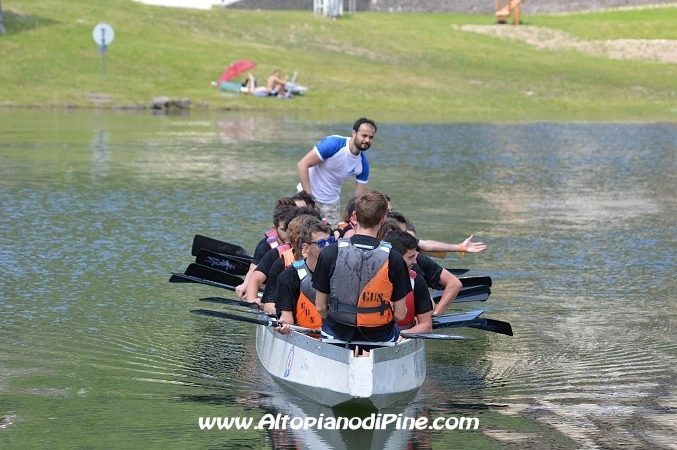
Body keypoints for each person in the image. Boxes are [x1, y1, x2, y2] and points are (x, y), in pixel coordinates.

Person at [313, 190, 410, 350]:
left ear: (355, 216)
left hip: (337, 333)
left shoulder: (330, 252)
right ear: (383, 219)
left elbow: (321, 307)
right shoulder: (395, 258)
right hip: (380, 336)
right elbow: (400, 314)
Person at [297, 118, 377, 228]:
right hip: (308, 197)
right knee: (300, 232)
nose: (367, 140)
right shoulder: (334, 144)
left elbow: (359, 200)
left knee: (332, 235)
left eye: (371, 137)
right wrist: (309, 198)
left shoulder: (363, 164)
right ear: (354, 133)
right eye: (364, 135)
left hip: (331, 205)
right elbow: (302, 165)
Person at [274, 217, 333, 335]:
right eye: (321, 243)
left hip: (335, 336)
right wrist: (284, 323)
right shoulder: (289, 276)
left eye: (330, 241)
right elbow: (287, 315)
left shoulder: (340, 272)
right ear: (306, 248)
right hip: (306, 336)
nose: (328, 246)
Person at [235, 201, 295, 299]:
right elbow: (253, 269)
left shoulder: (305, 244)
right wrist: (246, 284)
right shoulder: (266, 247)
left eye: (291, 230)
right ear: (274, 228)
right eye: (284, 230)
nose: (288, 234)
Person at [382, 230, 433, 334]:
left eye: (414, 256)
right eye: (410, 257)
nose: (415, 262)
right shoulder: (370, 278)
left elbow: (427, 325)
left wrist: (403, 334)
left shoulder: (418, 282)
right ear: (396, 258)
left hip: (402, 336)